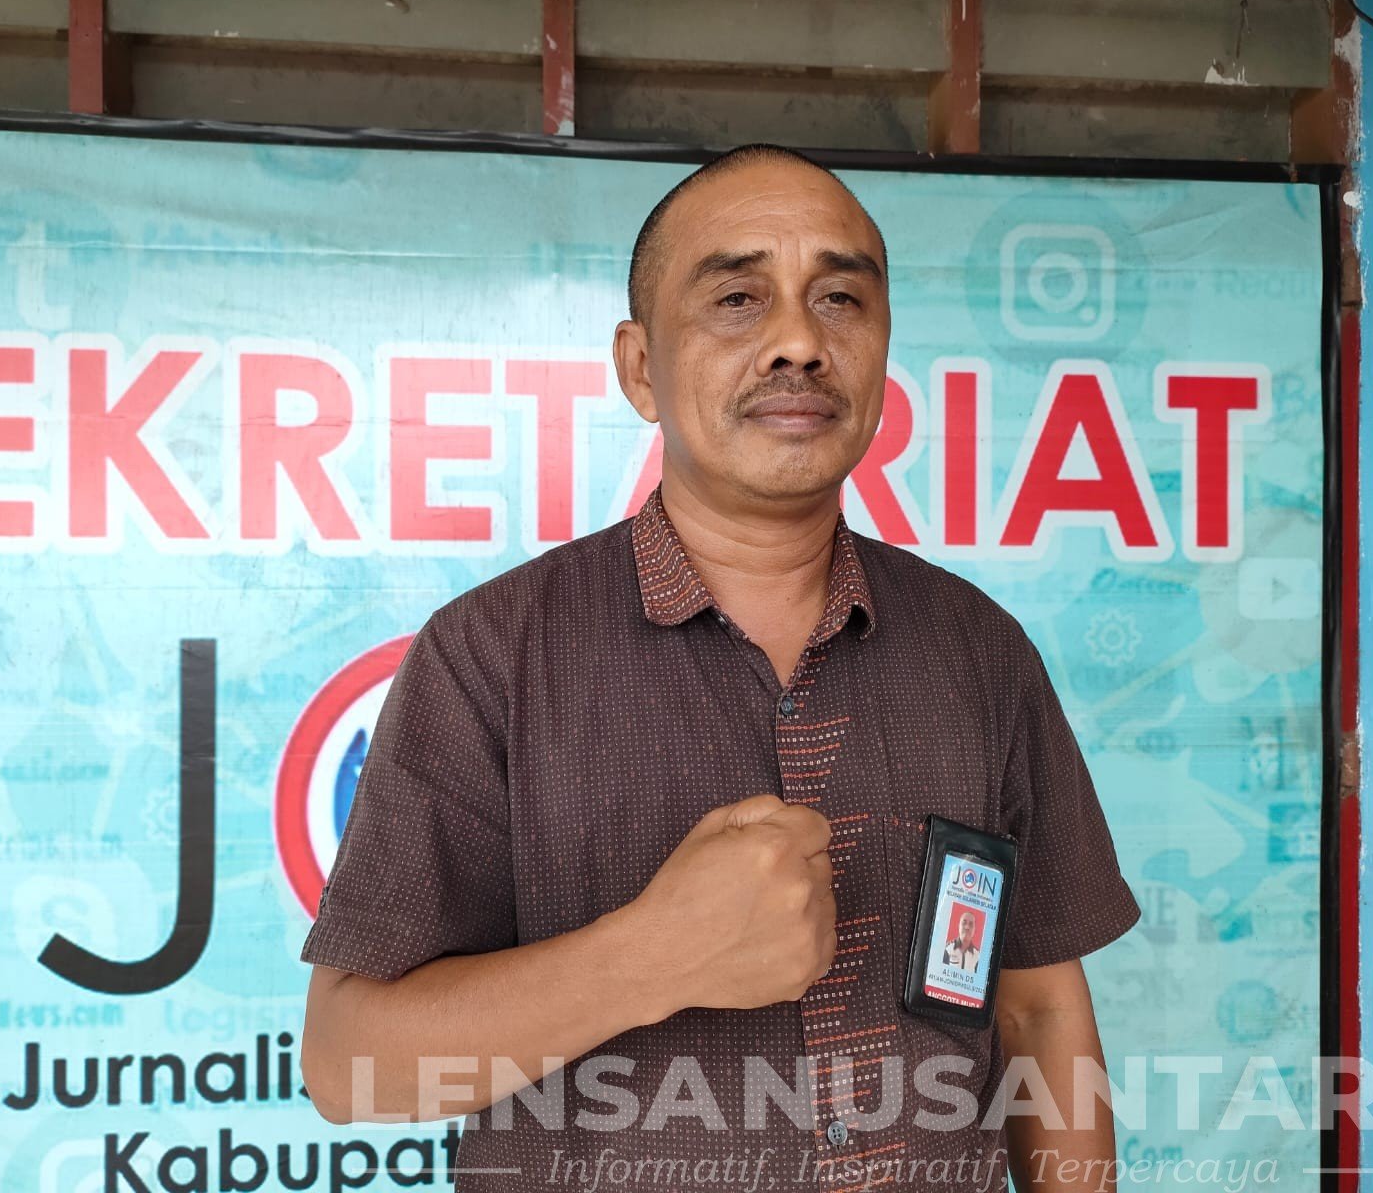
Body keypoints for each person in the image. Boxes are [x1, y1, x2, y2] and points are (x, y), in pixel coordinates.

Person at [298, 142, 1140, 1192]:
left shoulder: (980, 650)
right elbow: (348, 1064)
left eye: (840, 299)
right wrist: (655, 954)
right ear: (640, 368)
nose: (799, 342)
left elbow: (1039, 1008)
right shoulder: (492, 654)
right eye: (738, 299)